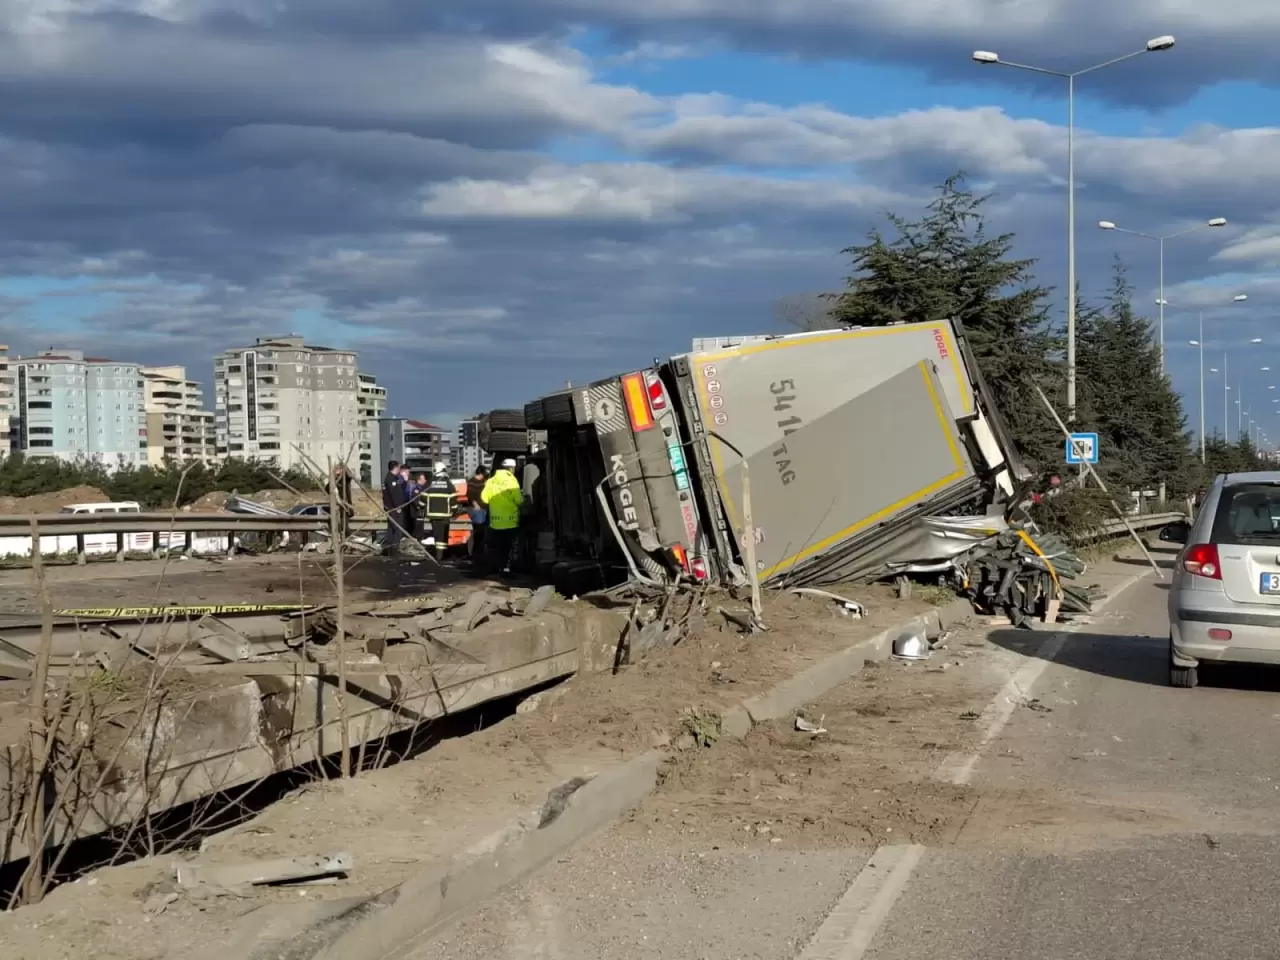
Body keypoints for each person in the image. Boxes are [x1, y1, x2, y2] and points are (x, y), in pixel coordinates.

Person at [481, 458, 523, 574]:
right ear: (511, 468)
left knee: (498, 546)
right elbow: (519, 500)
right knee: (508, 545)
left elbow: (484, 498)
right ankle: (506, 567)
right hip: (510, 520)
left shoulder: (491, 481)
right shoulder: (512, 481)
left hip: (495, 521)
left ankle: (499, 566)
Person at [424, 462, 458, 559]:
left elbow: (423, 496)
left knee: (436, 534)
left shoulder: (430, 482)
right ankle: (440, 557)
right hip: (444, 515)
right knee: (442, 537)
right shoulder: (448, 483)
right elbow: (453, 499)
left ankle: (438, 555)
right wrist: (455, 510)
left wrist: (421, 507)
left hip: (433, 515)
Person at [381, 460, 409, 551]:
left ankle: (388, 548)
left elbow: (399, 490)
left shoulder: (393, 478)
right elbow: (394, 494)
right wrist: (398, 507)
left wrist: (405, 481)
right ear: (395, 468)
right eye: (398, 467)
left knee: (391, 529)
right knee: (398, 529)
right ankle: (394, 548)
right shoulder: (391, 479)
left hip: (391, 508)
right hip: (394, 508)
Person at [465, 465, 489, 562]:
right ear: (481, 473)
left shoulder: (483, 482)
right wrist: (475, 504)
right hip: (477, 509)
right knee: (478, 531)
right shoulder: (472, 482)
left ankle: (479, 552)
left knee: (481, 531)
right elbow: (470, 495)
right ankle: (475, 553)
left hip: (483, 508)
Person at [326, 463, 354, 541]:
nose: (336, 471)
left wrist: (344, 467)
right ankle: (342, 541)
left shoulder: (345, 479)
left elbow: (350, 475)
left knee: (344, 526)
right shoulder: (334, 481)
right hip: (336, 508)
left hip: (345, 507)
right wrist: (333, 477)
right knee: (337, 527)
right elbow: (327, 488)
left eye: (338, 469)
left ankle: (349, 541)